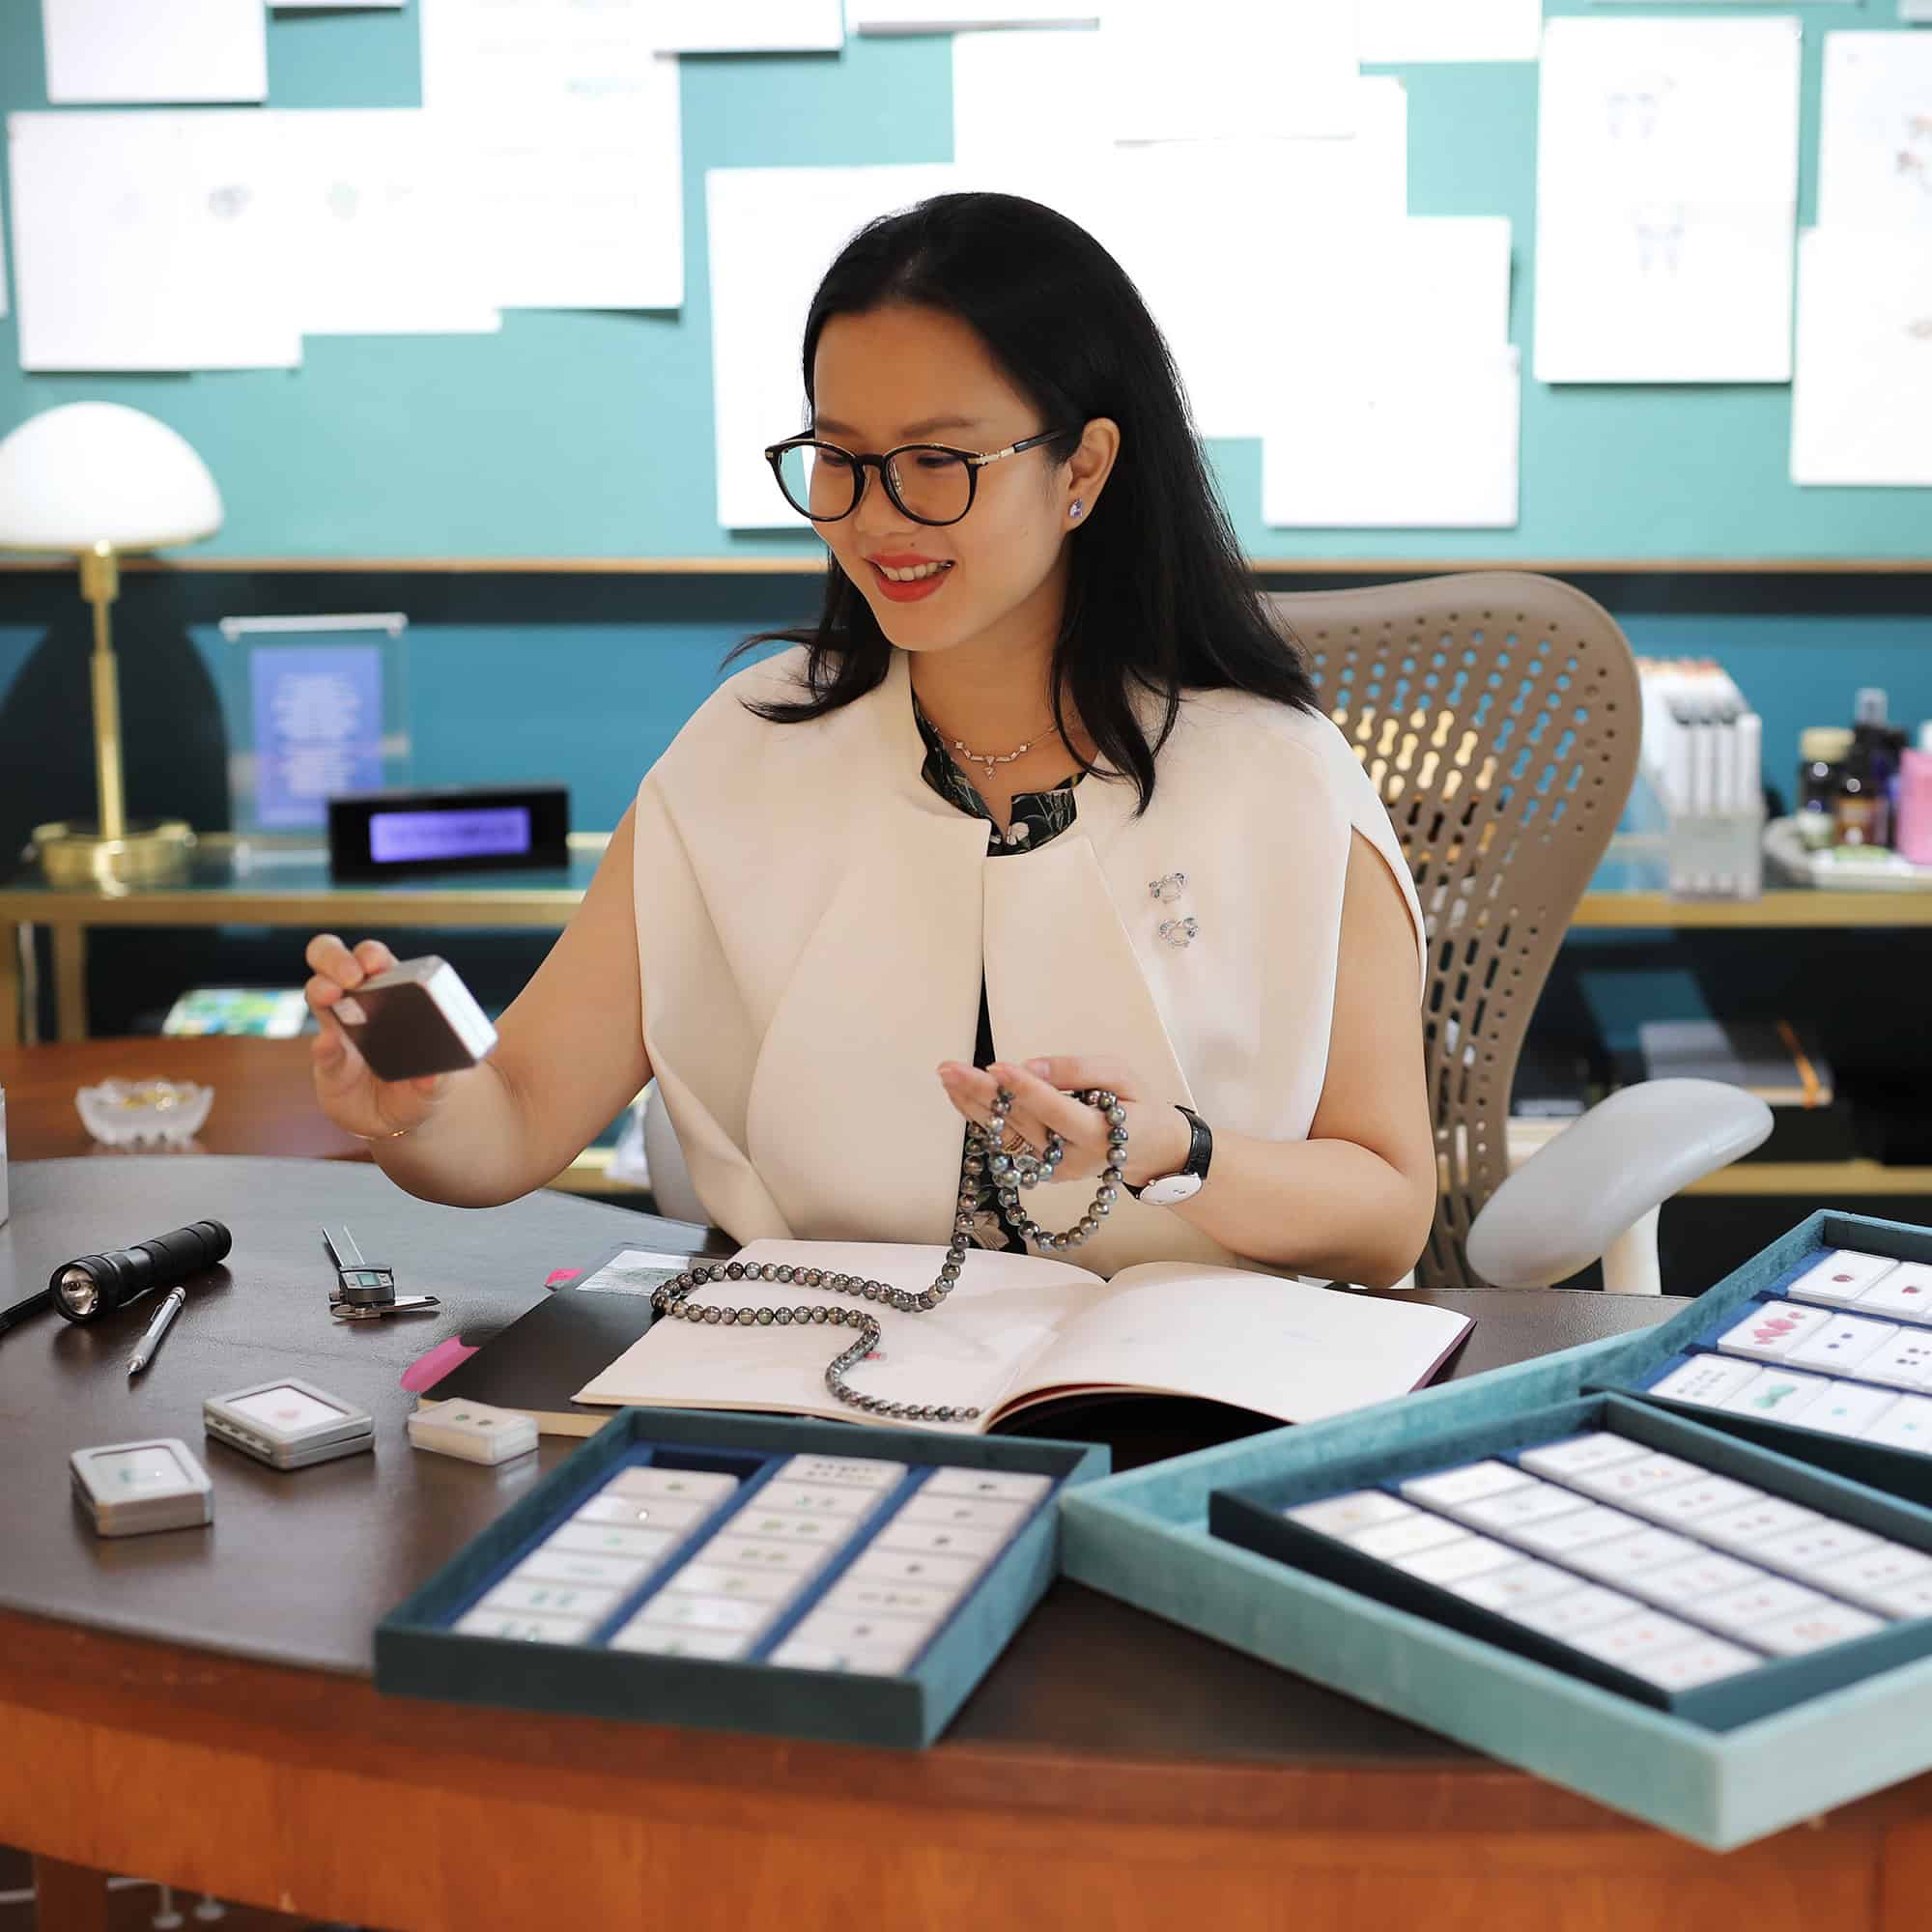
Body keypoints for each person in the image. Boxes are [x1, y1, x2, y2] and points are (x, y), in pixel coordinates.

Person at [305, 191, 1435, 1290]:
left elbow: (1386, 1214)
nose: (876, 516)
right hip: (821, 1375)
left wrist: (1175, 1154)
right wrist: (418, 1105)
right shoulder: (740, 756)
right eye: (839, 457)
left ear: (1082, 468)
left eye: (938, 463)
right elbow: (510, 1123)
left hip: (1185, 1392)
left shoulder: (1277, 774)